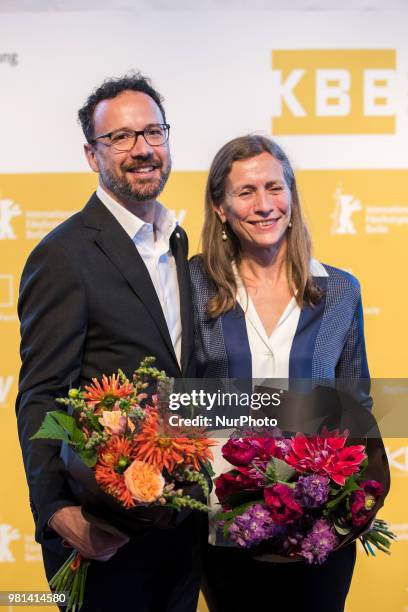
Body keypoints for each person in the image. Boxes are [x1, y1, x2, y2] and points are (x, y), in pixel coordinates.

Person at [16, 73, 202, 612]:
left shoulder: (180, 244)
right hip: (100, 536)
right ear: (91, 155)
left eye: (153, 132)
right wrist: (57, 513)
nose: (142, 149)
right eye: (120, 138)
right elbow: (43, 394)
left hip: (179, 527)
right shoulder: (64, 254)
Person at [189, 134, 372, 612]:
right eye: (246, 192)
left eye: (275, 188)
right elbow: (177, 399)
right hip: (224, 525)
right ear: (221, 208)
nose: (264, 204)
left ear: (291, 197)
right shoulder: (191, 284)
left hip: (321, 528)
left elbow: (357, 406)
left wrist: (363, 494)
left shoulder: (340, 292)